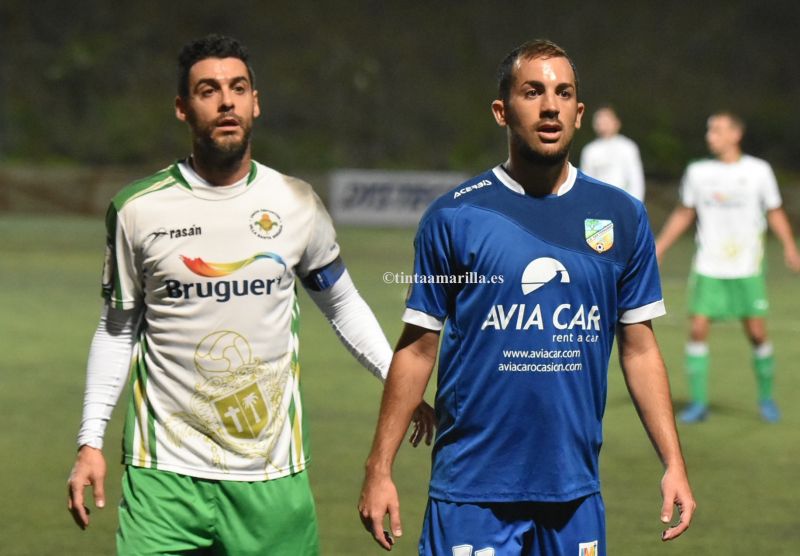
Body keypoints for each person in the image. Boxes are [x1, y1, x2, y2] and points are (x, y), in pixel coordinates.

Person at [66, 34, 434, 555]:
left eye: (238, 88)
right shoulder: (137, 210)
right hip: (162, 477)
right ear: (182, 107)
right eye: (208, 90)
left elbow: (343, 304)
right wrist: (90, 440)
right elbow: (117, 329)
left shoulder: (296, 203)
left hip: (272, 477)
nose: (226, 102)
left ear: (255, 102)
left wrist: (398, 384)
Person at [358, 39, 694, 556]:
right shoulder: (455, 217)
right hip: (470, 492)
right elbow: (419, 347)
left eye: (564, 93)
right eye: (533, 92)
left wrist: (674, 462)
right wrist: (378, 468)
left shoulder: (622, 216)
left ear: (578, 113)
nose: (550, 106)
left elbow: (640, 348)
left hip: (574, 492)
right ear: (502, 111)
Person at [655, 111, 800, 424]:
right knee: (697, 329)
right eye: (710, 130)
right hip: (709, 265)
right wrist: (660, 246)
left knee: (757, 333)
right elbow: (685, 212)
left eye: (717, 130)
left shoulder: (758, 171)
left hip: (747, 266)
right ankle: (698, 403)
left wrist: (790, 246)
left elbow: (774, 211)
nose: (711, 136)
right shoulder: (698, 172)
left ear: (736, 134)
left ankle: (766, 398)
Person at [579, 105, 646, 201]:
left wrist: (634, 205)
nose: (603, 124)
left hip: (624, 201)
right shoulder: (590, 150)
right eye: (599, 121)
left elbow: (636, 181)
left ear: (616, 122)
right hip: (599, 203)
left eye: (606, 121)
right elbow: (586, 181)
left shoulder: (627, 147)